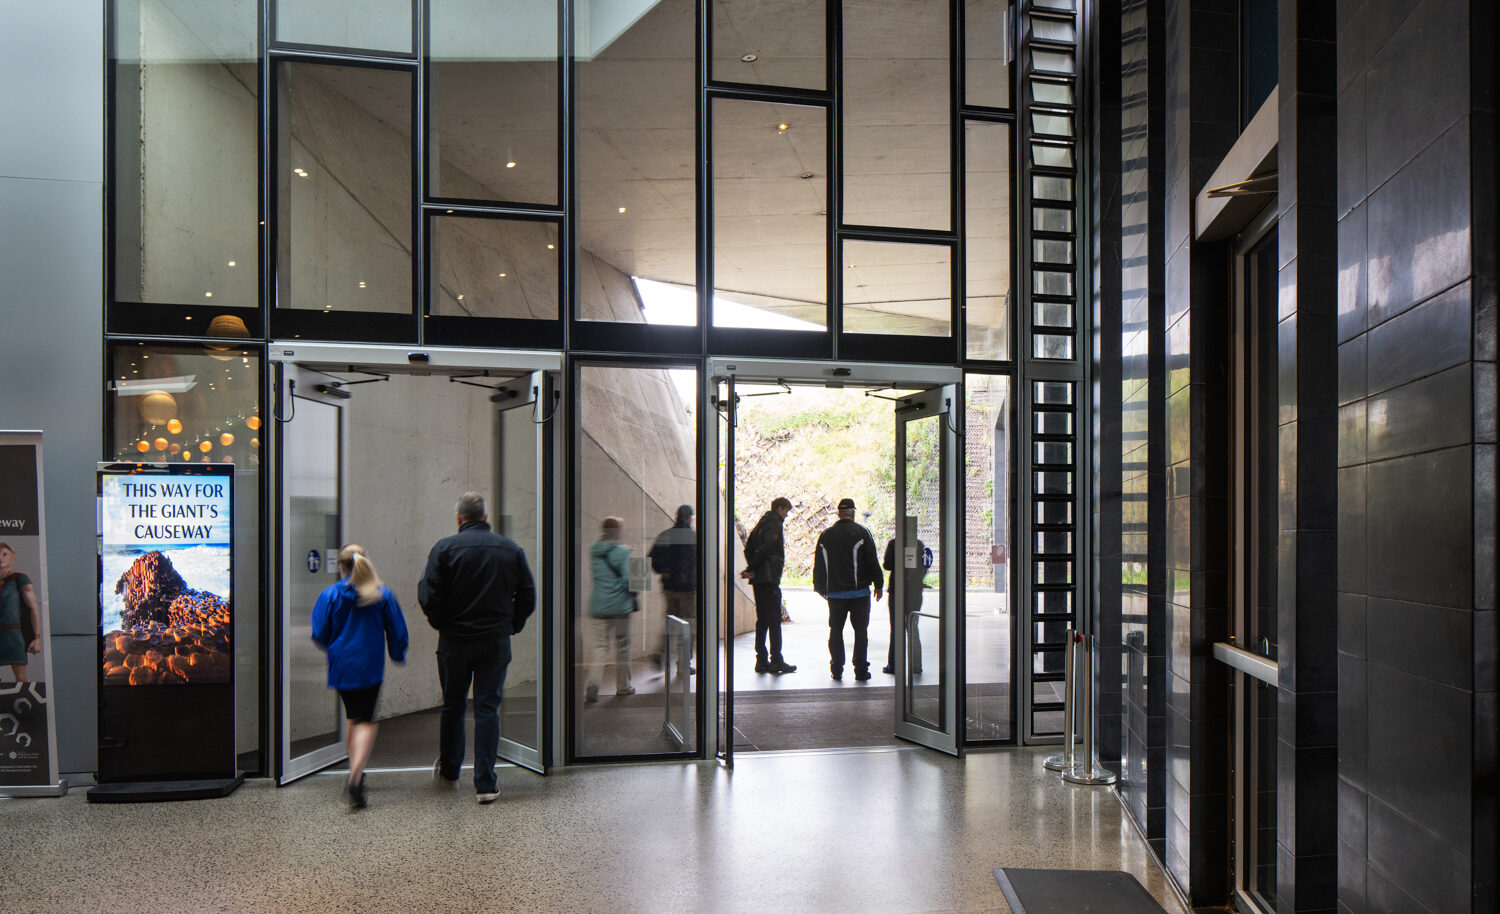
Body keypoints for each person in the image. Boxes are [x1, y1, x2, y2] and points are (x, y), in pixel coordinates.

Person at [419, 492, 536, 805]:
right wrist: (511, 625)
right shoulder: (510, 549)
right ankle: (485, 784)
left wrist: (443, 624)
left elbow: (428, 596)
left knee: (453, 707)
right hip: (495, 642)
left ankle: (449, 774)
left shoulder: (444, 549)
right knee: (487, 709)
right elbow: (527, 596)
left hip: (454, 642)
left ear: (459, 517)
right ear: (486, 517)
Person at [311, 544, 409, 810]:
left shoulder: (329, 594)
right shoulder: (381, 594)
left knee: (353, 717)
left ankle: (356, 770)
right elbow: (397, 631)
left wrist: (335, 644)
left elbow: (319, 632)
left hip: (342, 664)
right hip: (369, 665)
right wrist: (398, 654)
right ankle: (356, 776)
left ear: (341, 567)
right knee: (366, 719)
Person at [812, 498, 883, 681]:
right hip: (859, 593)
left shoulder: (826, 535)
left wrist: (820, 588)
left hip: (835, 595)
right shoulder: (862, 532)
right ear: (853, 513)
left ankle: (836, 669)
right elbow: (872, 560)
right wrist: (879, 584)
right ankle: (860, 670)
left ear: (838, 513)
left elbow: (818, 564)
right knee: (860, 631)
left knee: (835, 630)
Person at [740, 497, 797, 674]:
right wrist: (754, 568)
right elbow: (766, 548)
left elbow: (748, 548)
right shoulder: (774, 524)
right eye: (786, 511)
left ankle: (761, 660)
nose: (786, 515)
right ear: (779, 508)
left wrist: (753, 568)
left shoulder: (761, 523)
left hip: (759, 580)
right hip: (769, 578)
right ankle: (776, 660)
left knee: (762, 620)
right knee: (773, 621)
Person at [586, 517, 636, 702]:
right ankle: (623, 687)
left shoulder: (594, 551)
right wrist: (627, 554)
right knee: (622, 647)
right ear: (616, 532)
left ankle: (592, 686)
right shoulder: (623, 552)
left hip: (598, 606)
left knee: (599, 647)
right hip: (620, 608)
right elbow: (628, 580)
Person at [650, 504, 697, 682]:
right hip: (687, 589)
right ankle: (684, 665)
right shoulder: (692, 537)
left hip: (669, 588)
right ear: (689, 518)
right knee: (688, 627)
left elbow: (653, 558)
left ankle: (660, 653)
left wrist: (665, 570)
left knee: (670, 622)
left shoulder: (665, 535)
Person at [882, 526, 925, 676]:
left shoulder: (893, 544)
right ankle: (916, 666)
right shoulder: (919, 545)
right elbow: (924, 566)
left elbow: (886, 565)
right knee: (913, 628)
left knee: (896, 629)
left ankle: (894, 665)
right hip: (915, 592)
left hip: (897, 591)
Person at [0, 542, 42, 683]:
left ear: (13, 557)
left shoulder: (19, 579)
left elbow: (33, 608)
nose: (1, 558)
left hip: (13, 635)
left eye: (5, 554)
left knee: (20, 678)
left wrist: (36, 638)